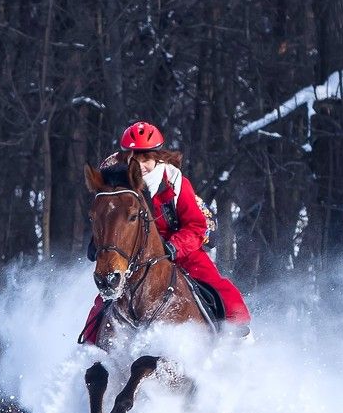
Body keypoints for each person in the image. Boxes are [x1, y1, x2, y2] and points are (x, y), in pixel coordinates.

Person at [80, 121, 251, 344]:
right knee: (104, 301)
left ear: (158, 157)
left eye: (146, 158)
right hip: (134, 254)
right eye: (135, 157)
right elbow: (108, 219)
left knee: (214, 282)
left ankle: (236, 334)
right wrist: (98, 244)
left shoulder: (173, 182)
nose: (141, 164)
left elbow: (197, 225)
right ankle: (90, 346)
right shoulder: (115, 181)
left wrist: (174, 246)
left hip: (179, 248)